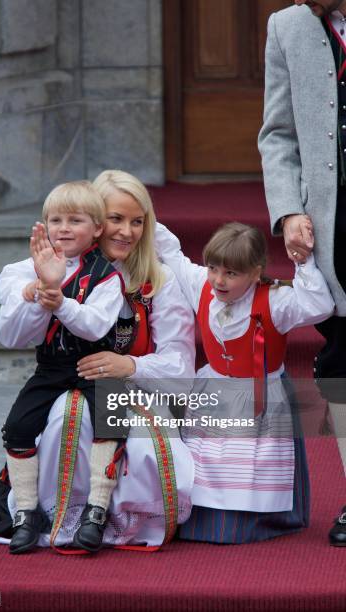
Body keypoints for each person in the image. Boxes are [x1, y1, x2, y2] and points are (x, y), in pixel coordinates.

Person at [0, 170, 196, 551]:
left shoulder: (159, 279)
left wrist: (130, 366)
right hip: (65, 380)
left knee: (121, 431)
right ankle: (39, 512)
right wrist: (43, 291)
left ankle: (104, 513)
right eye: (116, 219)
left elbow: (181, 368)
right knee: (65, 419)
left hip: (135, 390)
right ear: (93, 221)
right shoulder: (54, 268)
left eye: (137, 221)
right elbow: (15, 334)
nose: (125, 231)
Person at [154, 220, 334, 543]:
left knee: (250, 461)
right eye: (213, 269)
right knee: (206, 457)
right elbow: (172, 254)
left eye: (231, 274)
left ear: (255, 272)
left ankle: (254, 519)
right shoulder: (202, 286)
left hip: (260, 395)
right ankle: (202, 516)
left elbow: (320, 306)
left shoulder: (275, 301)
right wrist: (142, 213)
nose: (218, 280)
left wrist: (303, 263)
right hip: (214, 388)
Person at [0, 180, 126, 554]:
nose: (64, 228)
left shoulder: (107, 275)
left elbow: (95, 326)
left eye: (76, 220)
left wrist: (60, 302)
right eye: (55, 220)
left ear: (97, 229)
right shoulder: (21, 271)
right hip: (52, 365)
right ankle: (26, 511)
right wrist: (37, 294)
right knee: (18, 426)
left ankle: (96, 509)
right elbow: (11, 336)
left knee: (113, 418)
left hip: (96, 365)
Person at [258, 0, 346, 546]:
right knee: (342, 359)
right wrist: (290, 209)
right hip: (334, 224)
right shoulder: (286, 26)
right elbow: (278, 133)